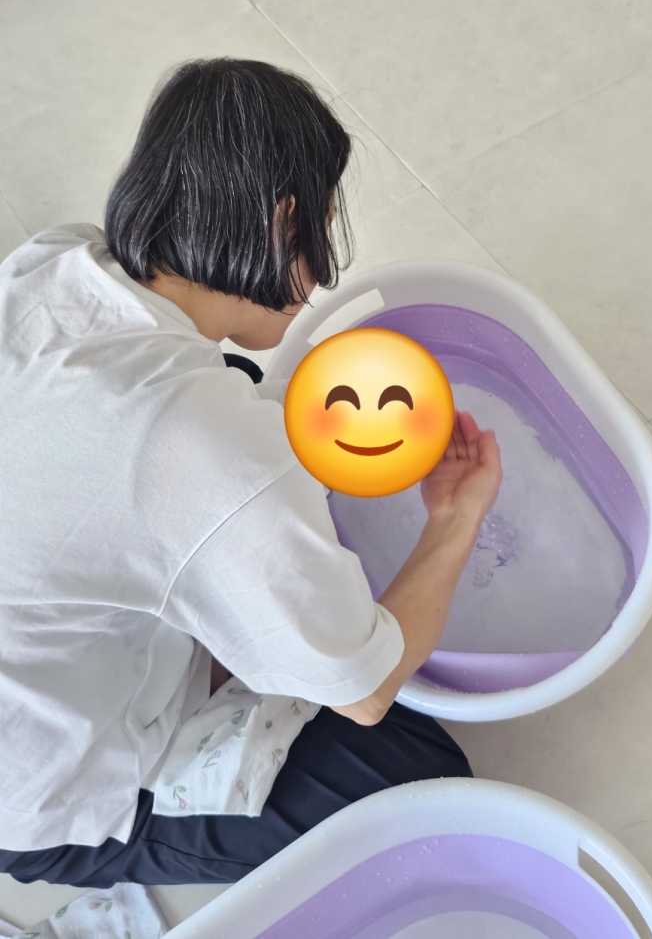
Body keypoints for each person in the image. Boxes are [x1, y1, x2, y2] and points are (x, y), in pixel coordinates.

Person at [0, 59, 501, 887]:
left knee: (234, 385)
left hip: (37, 644)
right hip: (37, 789)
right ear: (283, 220)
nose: (321, 277)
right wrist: (455, 517)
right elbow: (365, 689)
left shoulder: (55, 260)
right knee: (421, 780)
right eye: (324, 228)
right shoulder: (200, 446)